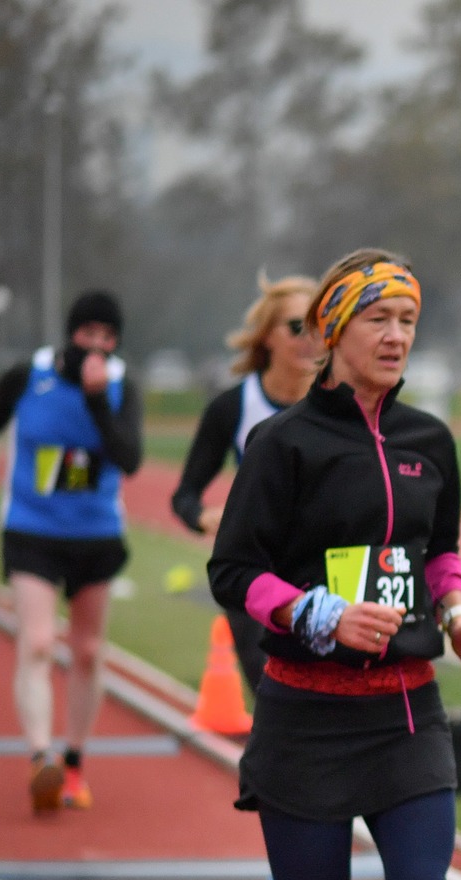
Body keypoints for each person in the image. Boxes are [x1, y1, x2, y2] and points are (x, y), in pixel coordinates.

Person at [159, 248, 461, 880]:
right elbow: (235, 571)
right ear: (334, 330)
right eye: (378, 319)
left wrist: (458, 615)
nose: (396, 337)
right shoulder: (285, 444)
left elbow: (438, 551)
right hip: (306, 718)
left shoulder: (430, 438)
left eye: (408, 321)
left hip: (408, 716)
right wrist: (319, 613)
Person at [0, 290, 143, 813]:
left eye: (108, 336)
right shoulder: (29, 375)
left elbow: (129, 458)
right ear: (71, 333)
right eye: (88, 332)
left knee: (88, 652)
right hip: (33, 529)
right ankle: (39, 758)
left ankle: (73, 763)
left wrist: (97, 401)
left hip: (95, 533)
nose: (97, 344)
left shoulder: (122, 385)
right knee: (37, 641)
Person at [172, 271, 324, 690]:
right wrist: (203, 517)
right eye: (296, 327)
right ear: (267, 336)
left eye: (318, 327)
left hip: (322, 570)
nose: (309, 339)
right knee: (272, 690)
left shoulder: (339, 403)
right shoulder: (233, 407)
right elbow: (185, 494)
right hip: (255, 569)